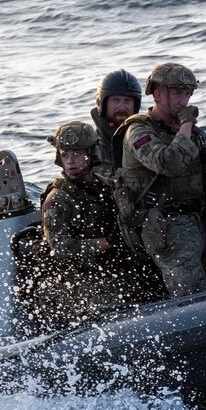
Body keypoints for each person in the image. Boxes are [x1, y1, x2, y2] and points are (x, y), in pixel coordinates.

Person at [116, 62, 206, 297]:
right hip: (166, 227)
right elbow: (168, 163)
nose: (183, 101)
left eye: (186, 94)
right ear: (158, 94)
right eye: (176, 93)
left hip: (200, 220)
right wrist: (185, 125)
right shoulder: (139, 131)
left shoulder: (192, 132)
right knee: (192, 294)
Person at [35, 121, 154, 327]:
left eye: (77, 154)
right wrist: (106, 242)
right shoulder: (58, 199)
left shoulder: (105, 185)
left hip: (114, 270)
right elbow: (60, 247)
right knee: (119, 313)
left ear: (91, 154)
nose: (71, 161)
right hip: (79, 279)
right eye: (65, 155)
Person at [89, 68, 142, 169]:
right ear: (103, 103)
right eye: (116, 100)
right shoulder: (90, 143)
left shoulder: (146, 134)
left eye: (127, 101)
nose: (121, 107)